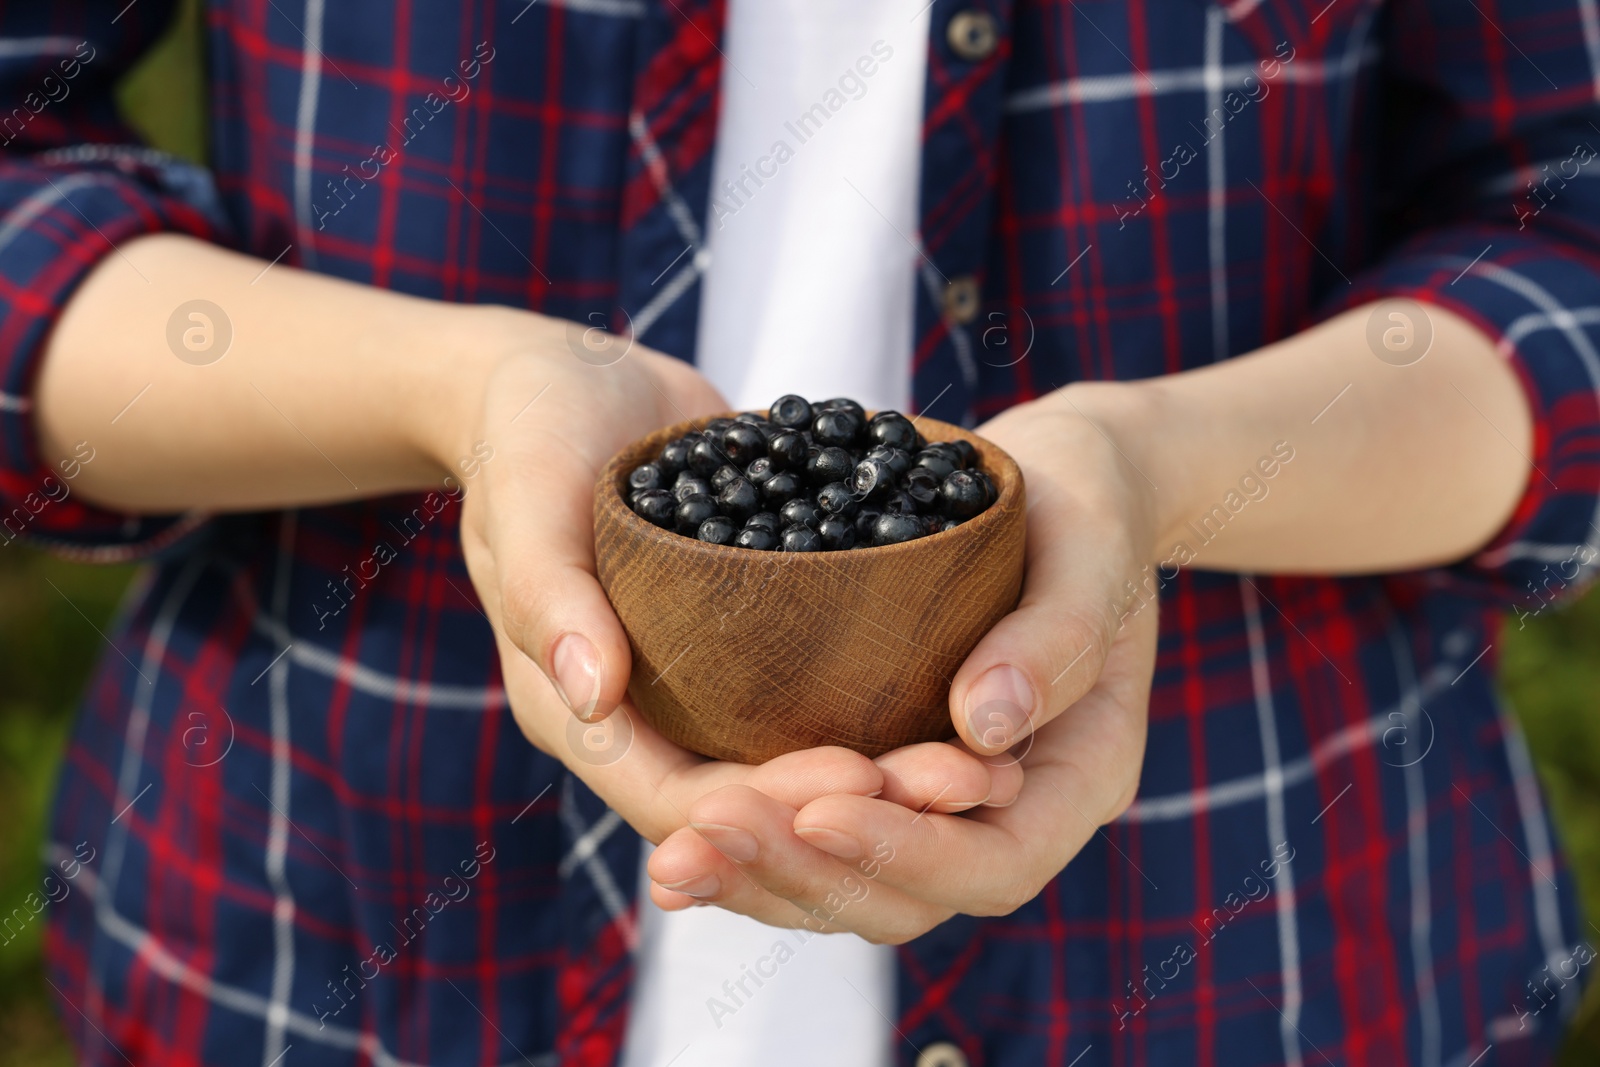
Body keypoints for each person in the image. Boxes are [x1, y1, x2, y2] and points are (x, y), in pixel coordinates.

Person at [3, 0, 1597, 1064]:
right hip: (341, 940)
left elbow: (1562, 239)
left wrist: (1154, 466)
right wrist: (458, 389)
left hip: (1262, 962)